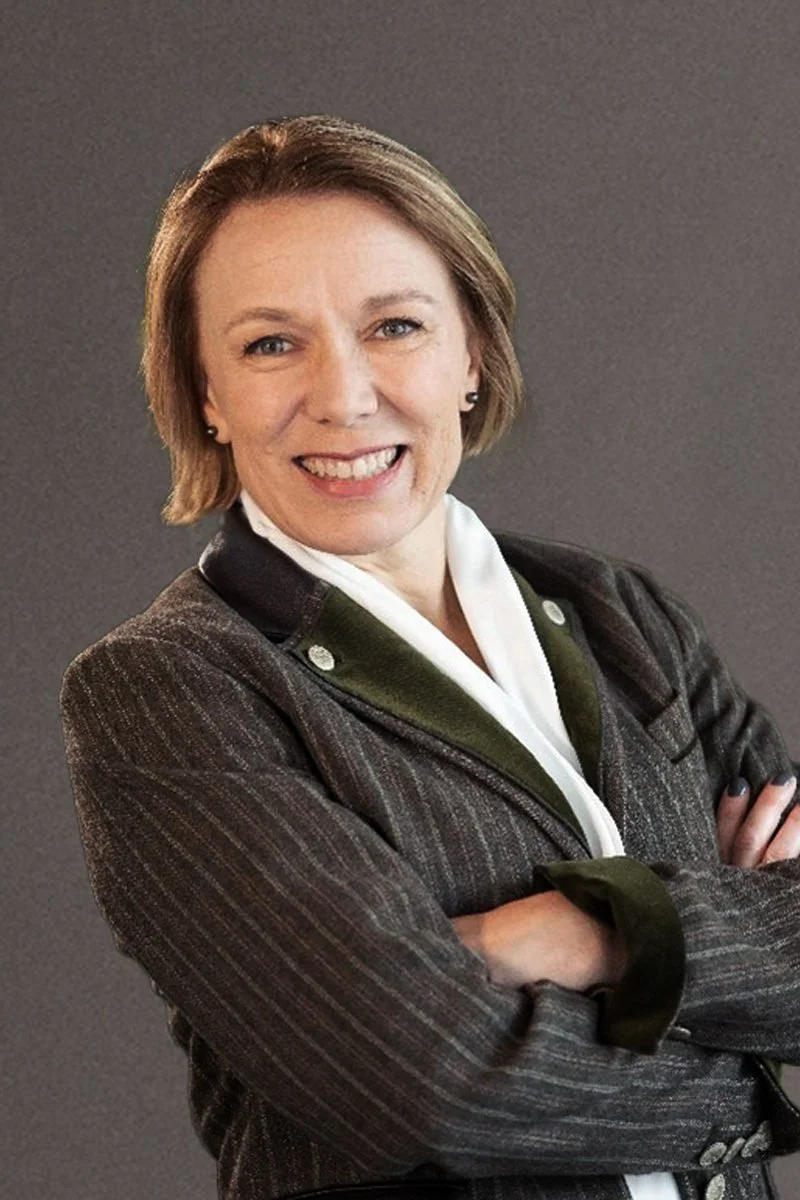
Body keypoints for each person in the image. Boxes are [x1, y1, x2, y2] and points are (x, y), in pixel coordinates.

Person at [59, 115, 800, 1200]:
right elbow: (433, 1082)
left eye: (394, 326)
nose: (344, 395)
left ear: (471, 354)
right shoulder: (169, 689)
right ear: (207, 395)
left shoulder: (620, 614)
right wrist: (755, 1074)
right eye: (271, 344)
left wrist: (592, 934)